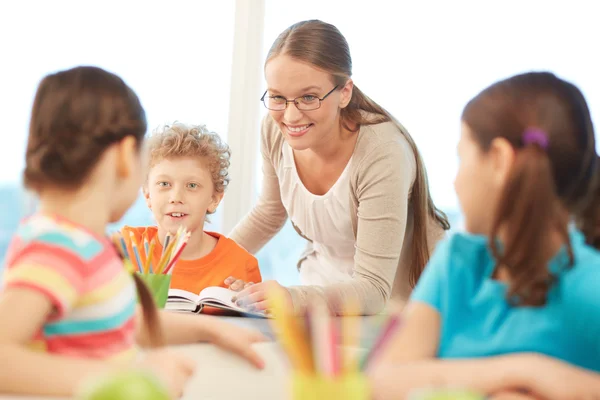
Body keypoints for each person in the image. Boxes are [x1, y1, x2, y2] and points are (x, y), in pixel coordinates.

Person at [0, 66, 265, 398]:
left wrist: (209, 328)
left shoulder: (87, 245)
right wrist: (132, 381)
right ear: (127, 156)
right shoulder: (56, 247)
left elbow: (123, 320)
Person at [372, 71, 600, 398]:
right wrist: (527, 370)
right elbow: (384, 380)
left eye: (461, 158)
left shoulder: (590, 285)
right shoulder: (457, 261)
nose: (455, 181)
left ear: (498, 160)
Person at [226, 19, 450, 316]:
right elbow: (269, 212)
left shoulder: (382, 153)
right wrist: (208, 260)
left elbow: (373, 289)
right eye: (278, 97)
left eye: (308, 97)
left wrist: (291, 298)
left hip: (400, 307)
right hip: (324, 292)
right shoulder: (273, 129)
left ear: (344, 92)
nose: (290, 116)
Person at [122, 123, 261, 297]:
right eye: (164, 184)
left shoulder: (241, 265)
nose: (176, 196)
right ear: (148, 195)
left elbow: (253, 322)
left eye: (192, 185)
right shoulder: (126, 248)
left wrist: (246, 305)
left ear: (214, 199)